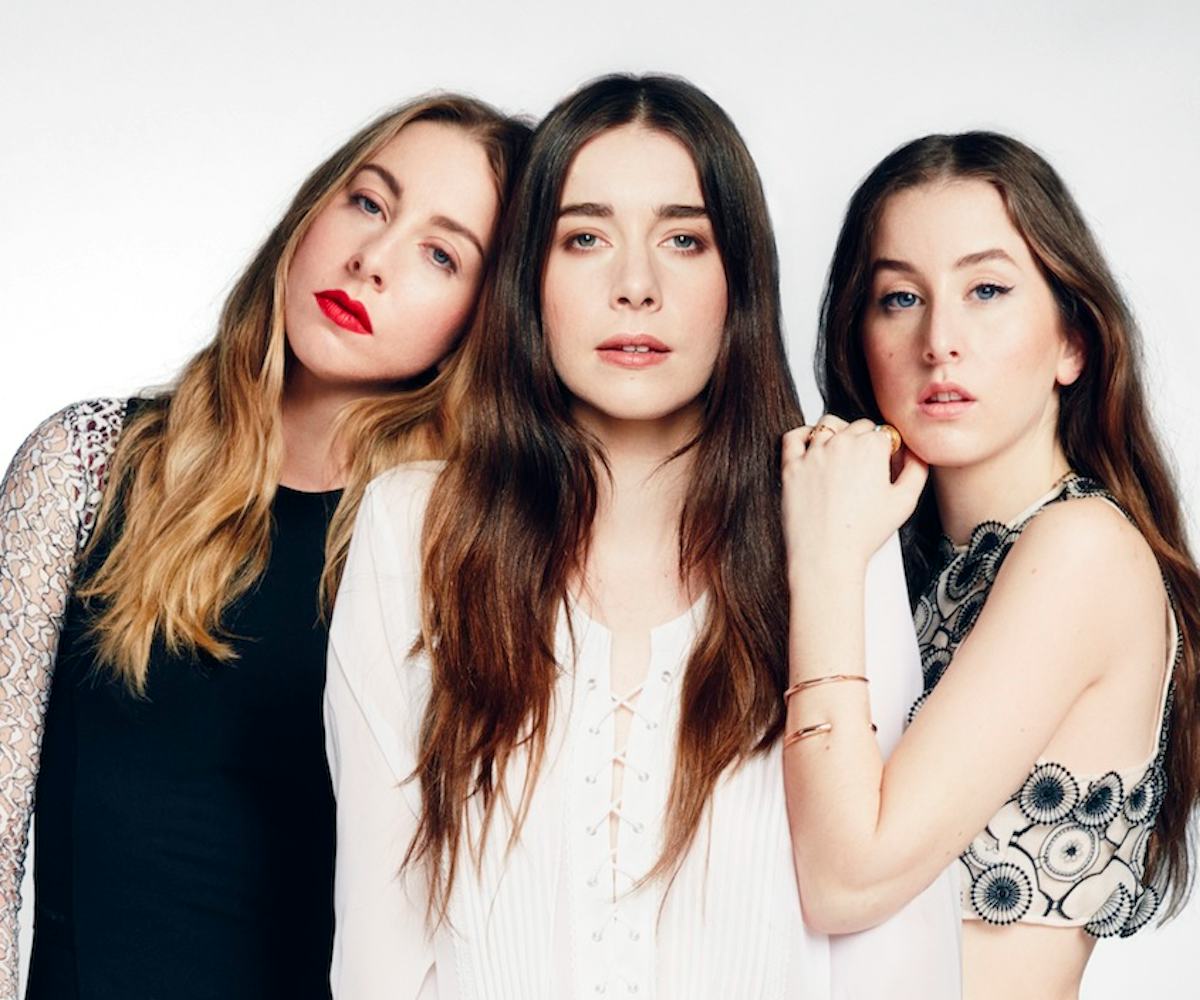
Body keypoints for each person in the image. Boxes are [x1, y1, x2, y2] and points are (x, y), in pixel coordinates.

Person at [325, 74, 959, 1000]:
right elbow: (378, 958)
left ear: (739, 278)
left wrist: (829, 552)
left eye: (684, 239)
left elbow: (891, 959)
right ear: (527, 282)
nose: (635, 287)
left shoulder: (831, 520)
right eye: (585, 238)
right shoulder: (414, 529)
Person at [0, 94, 529, 999]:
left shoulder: (463, 548)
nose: (371, 260)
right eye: (368, 202)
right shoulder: (88, 466)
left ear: (485, 318)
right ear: (313, 210)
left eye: (440, 254)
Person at [781, 131, 1200, 999]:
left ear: (1071, 344)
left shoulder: (1081, 549)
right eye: (899, 297)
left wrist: (819, 561)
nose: (940, 340)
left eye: (987, 290)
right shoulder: (928, 568)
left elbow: (845, 879)